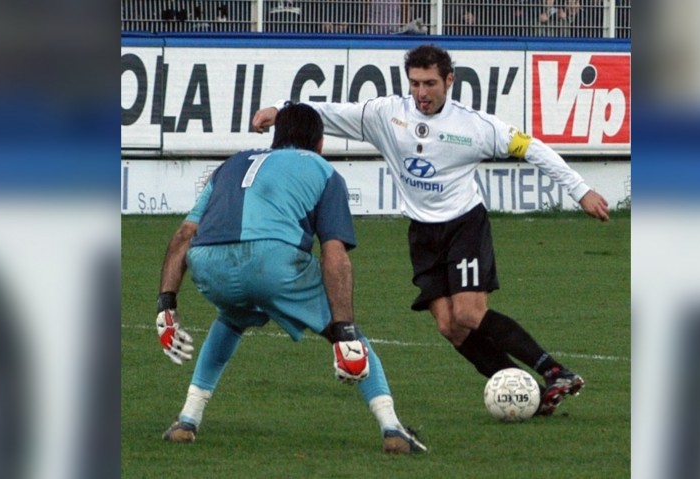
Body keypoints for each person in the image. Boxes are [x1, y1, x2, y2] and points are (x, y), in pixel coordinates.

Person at [252, 44, 610, 417]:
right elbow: (325, 111)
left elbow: (531, 148)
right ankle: (531, 398)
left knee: (469, 314)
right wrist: (280, 109)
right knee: (449, 326)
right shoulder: (386, 115)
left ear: (449, 80)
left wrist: (580, 190)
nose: (422, 93)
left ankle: (555, 371)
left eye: (430, 83)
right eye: (415, 83)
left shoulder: (475, 127)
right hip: (423, 232)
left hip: (464, 225)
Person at [155, 103, 426, 454]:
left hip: (209, 263)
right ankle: (392, 428)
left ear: (276, 137)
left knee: (232, 318)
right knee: (345, 334)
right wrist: (342, 329)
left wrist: (166, 304)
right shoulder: (322, 170)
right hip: (271, 262)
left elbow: (184, 235)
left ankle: (187, 419)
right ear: (320, 142)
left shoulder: (230, 165)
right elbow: (334, 255)